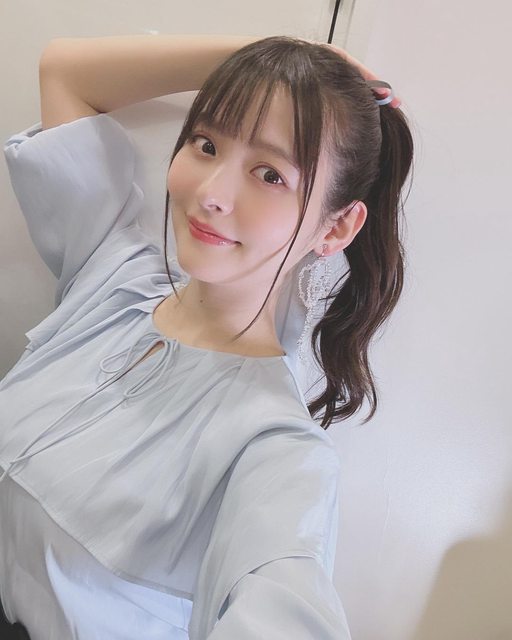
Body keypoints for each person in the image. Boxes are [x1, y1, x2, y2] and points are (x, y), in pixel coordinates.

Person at [0, 34, 414, 639]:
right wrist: (272, 58)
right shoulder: (111, 278)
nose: (211, 194)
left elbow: (287, 601)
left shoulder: (273, 448)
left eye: (270, 174)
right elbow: (64, 72)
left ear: (336, 227)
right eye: (206, 143)